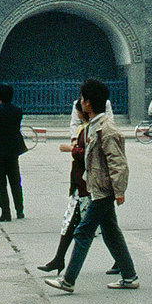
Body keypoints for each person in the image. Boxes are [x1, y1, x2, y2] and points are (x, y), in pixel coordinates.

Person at [45, 79, 138, 294]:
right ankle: (130, 276)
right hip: (96, 186)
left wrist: (119, 190)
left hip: (102, 190)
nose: (80, 102)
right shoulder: (92, 127)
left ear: (88, 103)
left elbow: (118, 162)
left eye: (82, 99)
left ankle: (68, 280)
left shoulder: (106, 130)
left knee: (84, 232)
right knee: (111, 232)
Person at [38, 99, 90, 275]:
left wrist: (72, 149)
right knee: (70, 223)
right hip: (80, 185)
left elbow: (90, 153)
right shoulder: (83, 129)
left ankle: (123, 264)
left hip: (88, 186)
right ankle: (59, 259)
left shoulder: (91, 129)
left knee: (102, 228)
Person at [0, 83, 26, 223]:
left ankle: (6, 213)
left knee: (0, 183)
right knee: (15, 180)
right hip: (13, 149)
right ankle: (20, 210)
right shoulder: (17, 110)